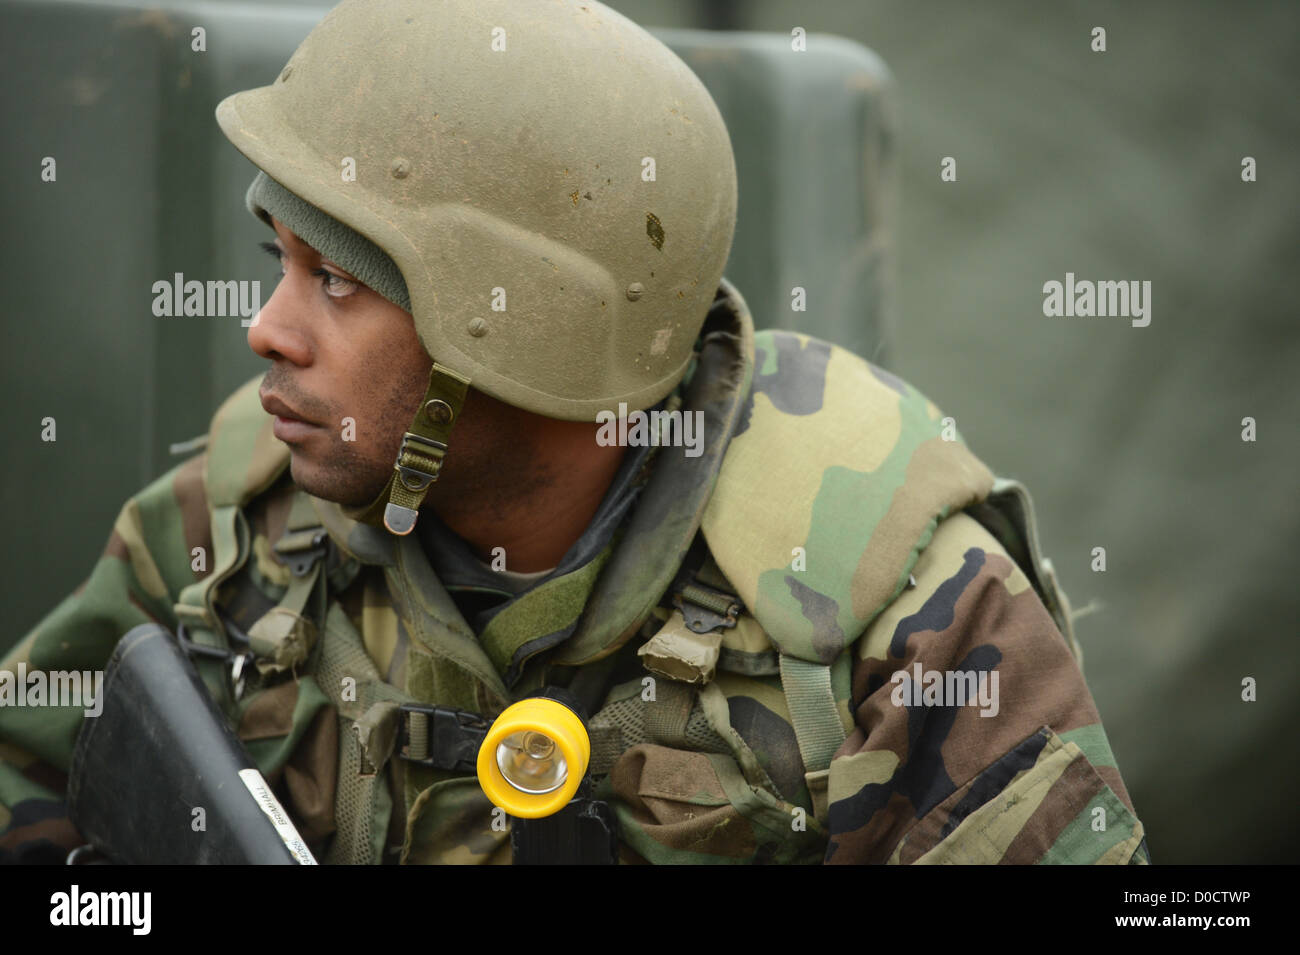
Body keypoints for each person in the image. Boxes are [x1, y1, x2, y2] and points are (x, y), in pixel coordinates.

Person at [0, 0, 1148, 865]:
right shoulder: (244, 521)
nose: (266, 333)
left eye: (338, 283)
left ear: (522, 328)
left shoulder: (900, 617)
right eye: (277, 264)